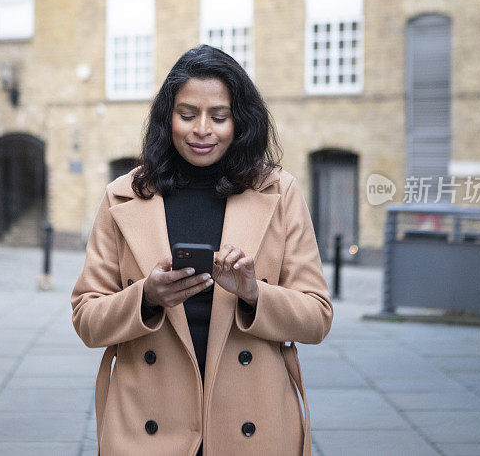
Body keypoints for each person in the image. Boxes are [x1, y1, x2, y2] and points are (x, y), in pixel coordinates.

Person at [71, 45, 333, 455]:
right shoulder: (123, 197)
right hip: (146, 427)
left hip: (253, 426)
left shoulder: (280, 193)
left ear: (240, 121)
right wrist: (147, 298)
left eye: (219, 116)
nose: (202, 129)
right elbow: (87, 319)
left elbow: (317, 318)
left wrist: (253, 292)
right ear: (168, 118)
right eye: (188, 114)